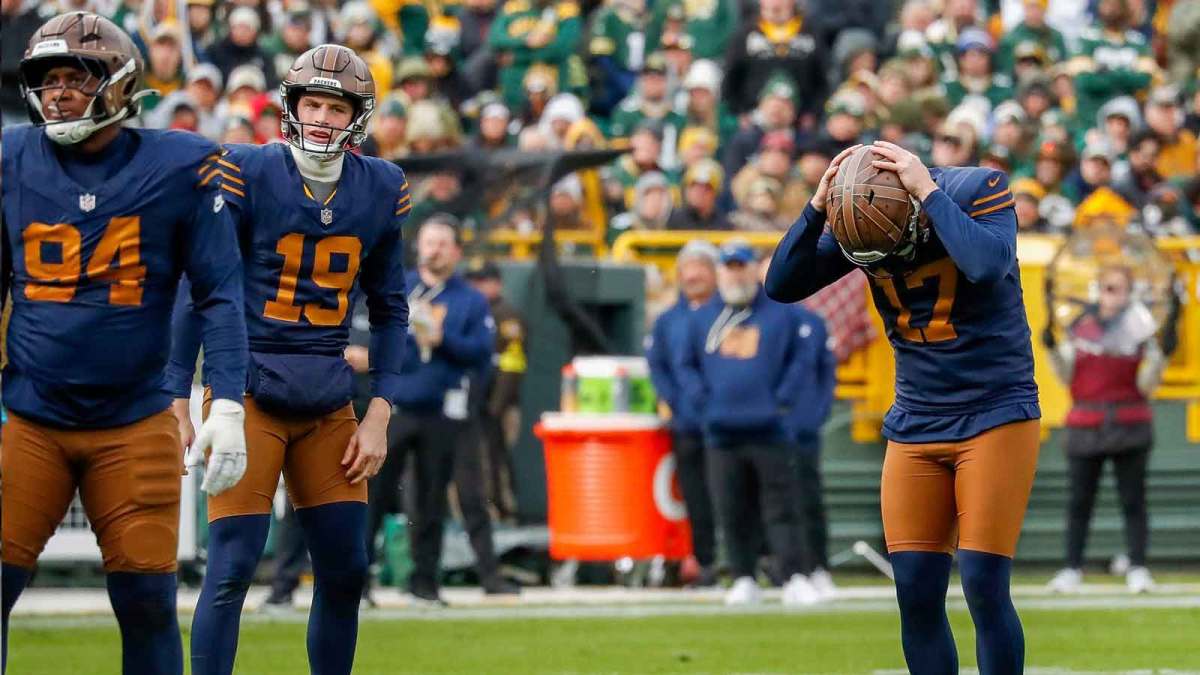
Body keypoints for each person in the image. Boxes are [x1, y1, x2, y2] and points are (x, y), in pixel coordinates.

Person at [2, 12, 249, 675]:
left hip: (135, 422)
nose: (56, 93)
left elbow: (221, 291)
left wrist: (227, 401)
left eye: (74, 78)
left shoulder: (181, 164)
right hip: (30, 420)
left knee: (145, 602)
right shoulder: (12, 159)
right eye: (47, 80)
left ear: (119, 84)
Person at [169, 44, 410, 675]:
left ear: (357, 116)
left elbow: (391, 309)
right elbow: (205, 286)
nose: (324, 117)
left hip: (328, 395)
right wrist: (179, 392)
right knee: (231, 567)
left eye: (337, 106)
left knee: (345, 570)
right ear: (291, 106)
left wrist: (379, 412)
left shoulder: (381, 186)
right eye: (314, 103)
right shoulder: (248, 169)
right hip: (246, 389)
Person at [765, 141, 1041, 674]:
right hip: (916, 419)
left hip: (995, 411)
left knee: (983, 581)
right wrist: (817, 208)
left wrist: (928, 194)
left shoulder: (975, 189)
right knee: (914, 590)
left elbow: (988, 265)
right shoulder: (863, 219)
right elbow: (780, 284)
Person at [366, 217, 510, 606]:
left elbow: (481, 353)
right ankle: (357, 583)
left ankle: (425, 582)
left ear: (456, 251)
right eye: (430, 242)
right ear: (419, 247)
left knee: (431, 501)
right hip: (393, 407)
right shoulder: (401, 287)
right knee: (374, 495)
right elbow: (372, 338)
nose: (435, 250)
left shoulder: (469, 299)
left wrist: (442, 338)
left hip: (441, 410)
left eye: (444, 243)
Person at [679, 241, 824, 607]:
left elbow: (802, 358)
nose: (735, 272)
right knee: (731, 508)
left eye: (740, 265)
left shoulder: (781, 313)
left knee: (781, 507)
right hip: (721, 432)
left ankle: (794, 575)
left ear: (751, 269)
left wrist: (782, 400)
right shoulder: (702, 318)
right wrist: (703, 403)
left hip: (769, 429)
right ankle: (742, 576)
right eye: (728, 266)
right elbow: (685, 365)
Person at [1044, 266, 1176, 594]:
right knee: (1079, 502)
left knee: (1133, 500)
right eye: (1108, 289)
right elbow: (1066, 375)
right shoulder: (1080, 329)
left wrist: (1162, 353)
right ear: (1097, 291)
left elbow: (1148, 383)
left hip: (1130, 423)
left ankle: (1138, 568)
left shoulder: (1141, 330)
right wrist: (1050, 347)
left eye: (1120, 289)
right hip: (1086, 425)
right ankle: (1071, 568)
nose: (1113, 296)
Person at [645, 241, 721, 587]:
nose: (693, 275)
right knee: (696, 496)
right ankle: (706, 563)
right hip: (687, 423)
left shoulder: (728, 314)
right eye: (687, 268)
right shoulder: (667, 321)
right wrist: (675, 400)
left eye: (701, 266)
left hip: (727, 422)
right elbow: (659, 367)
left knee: (736, 493)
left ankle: (750, 561)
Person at [465, 260, 526, 523]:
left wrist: (496, 405)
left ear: (496, 283)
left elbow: (513, 364)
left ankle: (504, 513)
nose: (476, 287)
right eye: (474, 281)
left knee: (496, 458)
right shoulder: (473, 311)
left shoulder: (506, 314)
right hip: (475, 402)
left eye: (483, 281)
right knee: (477, 460)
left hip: (500, 404)